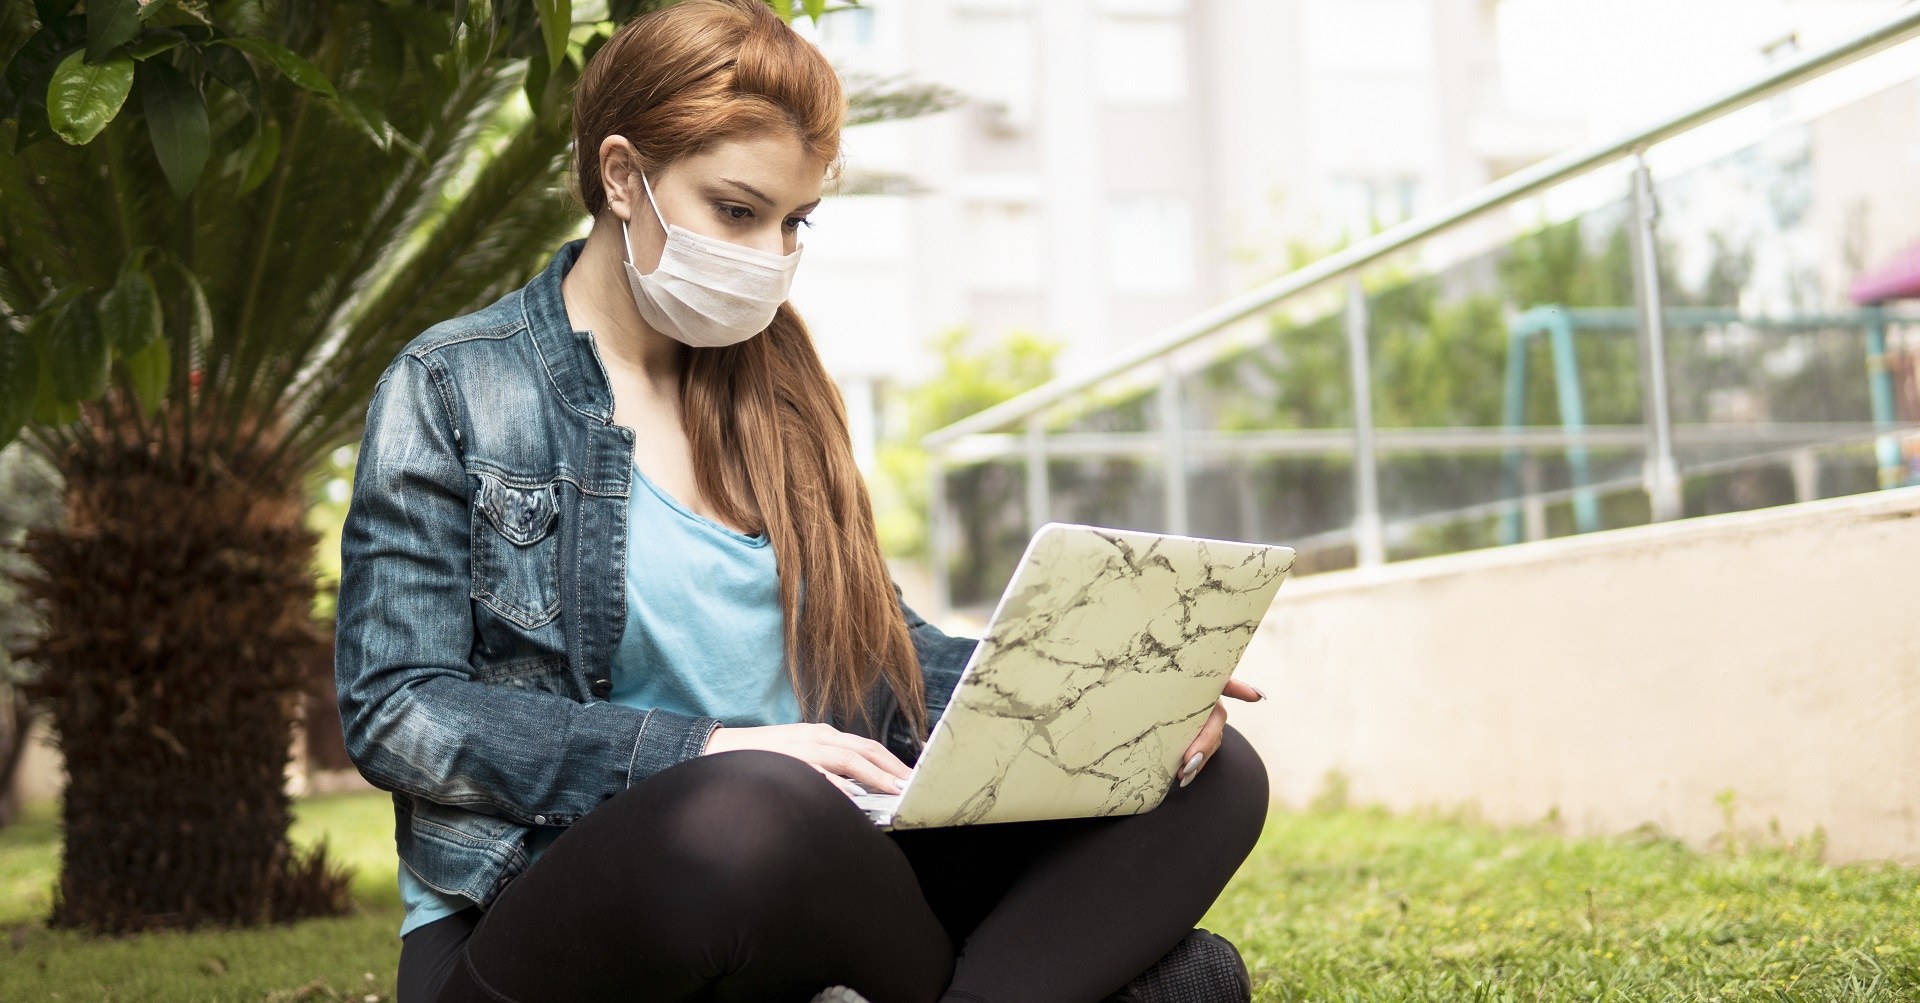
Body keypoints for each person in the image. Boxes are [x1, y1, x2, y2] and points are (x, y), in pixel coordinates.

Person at [333, 2, 1270, 1000]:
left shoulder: (777, 383)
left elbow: (881, 655)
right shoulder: (455, 385)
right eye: (736, 211)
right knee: (766, 809)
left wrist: (1113, 687)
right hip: (567, 898)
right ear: (620, 176)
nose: (770, 256)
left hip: (820, 871)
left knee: (1215, 776)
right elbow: (398, 709)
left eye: (795, 223)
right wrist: (707, 748)